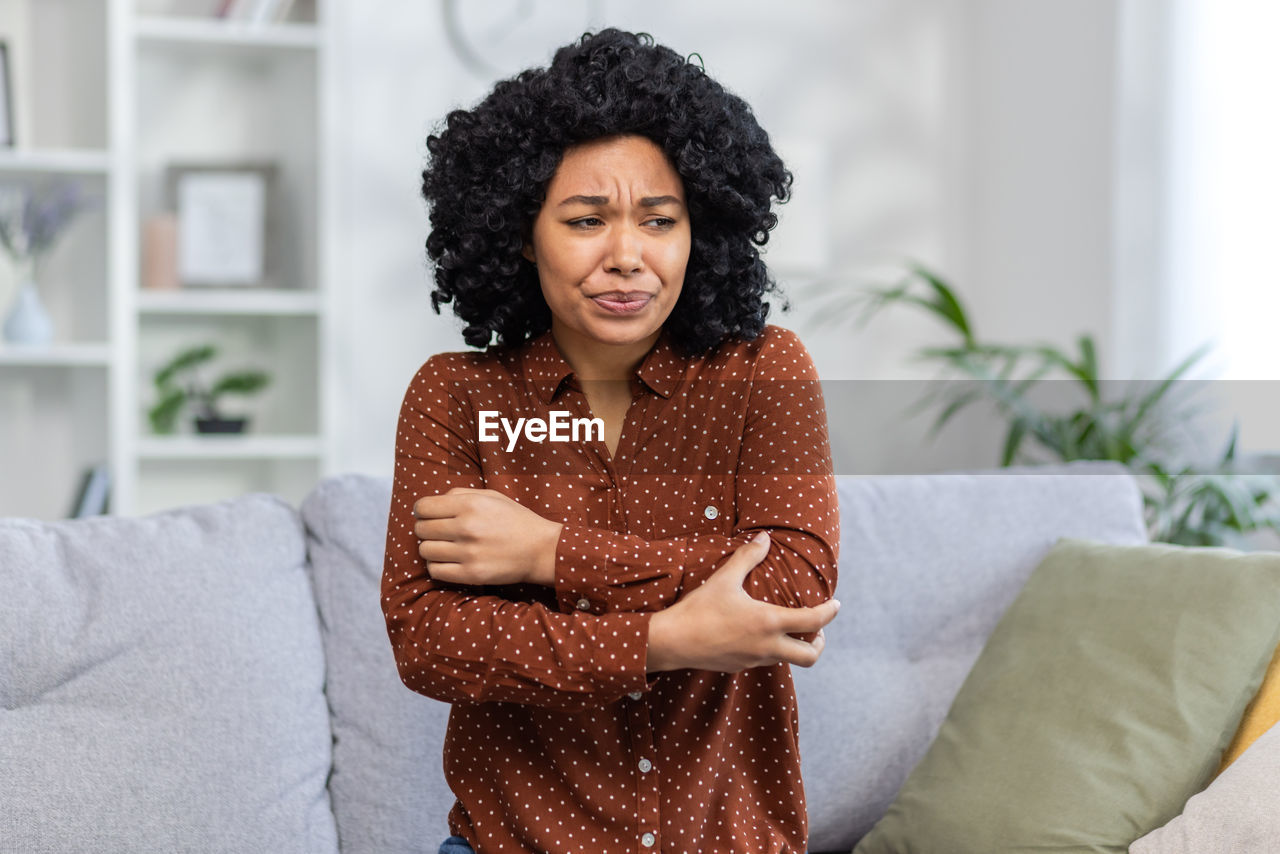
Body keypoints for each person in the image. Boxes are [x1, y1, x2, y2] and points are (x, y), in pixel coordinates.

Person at [382, 28, 841, 854]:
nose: (627, 257)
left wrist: (549, 555)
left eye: (659, 221)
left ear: (700, 230)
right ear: (523, 235)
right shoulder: (456, 396)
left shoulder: (763, 371)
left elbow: (794, 583)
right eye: (586, 221)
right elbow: (429, 641)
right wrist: (669, 639)